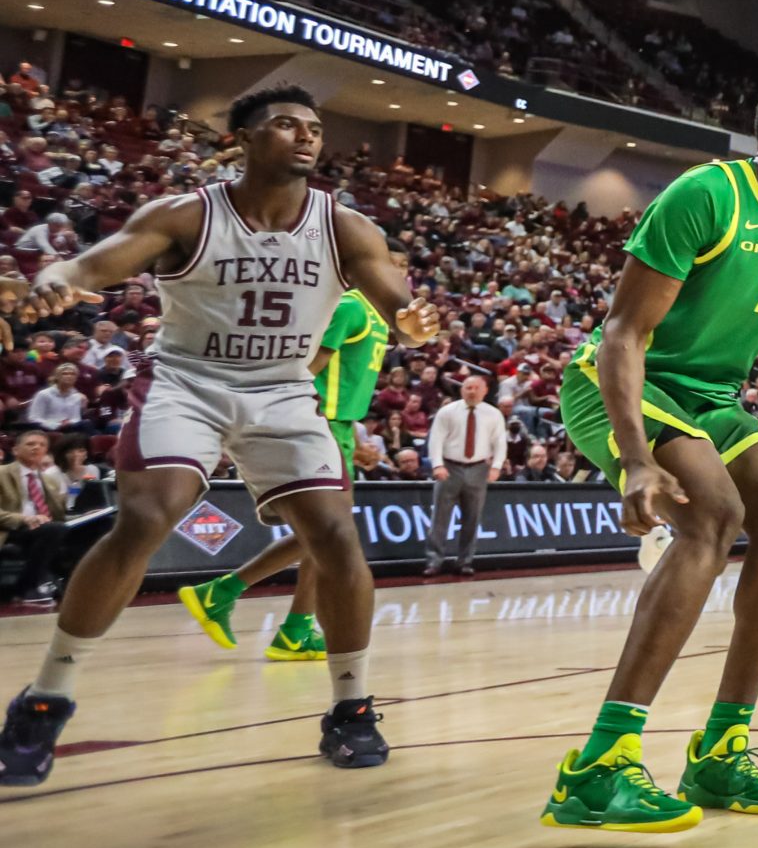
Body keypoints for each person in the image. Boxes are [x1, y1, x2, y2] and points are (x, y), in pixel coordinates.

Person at [1, 86, 438, 786]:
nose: (306, 136)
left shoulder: (344, 225)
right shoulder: (186, 213)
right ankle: (47, 694)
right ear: (242, 138)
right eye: (286, 124)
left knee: (335, 534)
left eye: (315, 127)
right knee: (146, 515)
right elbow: (95, 263)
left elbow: (394, 291)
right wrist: (57, 275)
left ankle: (351, 706)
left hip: (284, 388)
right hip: (188, 380)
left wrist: (411, 317)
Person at [541, 81, 758, 832]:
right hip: (623, 381)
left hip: (711, 398)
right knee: (713, 511)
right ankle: (599, 764)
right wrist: (637, 455)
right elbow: (623, 333)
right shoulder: (707, 193)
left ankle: (720, 750)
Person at [177, 287, 392, 660]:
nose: (398, 277)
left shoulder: (379, 316)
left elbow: (343, 381)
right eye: (394, 266)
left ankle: (294, 630)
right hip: (316, 421)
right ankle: (225, 592)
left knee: (326, 534)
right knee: (330, 531)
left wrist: (354, 440)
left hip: (338, 424)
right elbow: (308, 368)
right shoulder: (350, 306)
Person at [423, 375, 506, 576]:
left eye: (476, 388)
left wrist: (496, 466)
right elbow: (436, 440)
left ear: (485, 390)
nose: (472, 391)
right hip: (450, 467)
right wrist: (437, 465)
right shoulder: (447, 412)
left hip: (478, 468)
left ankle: (465, 561)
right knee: (440, 517)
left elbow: (500, 442)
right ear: (462, 390)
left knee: (472, 517)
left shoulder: (493, 414)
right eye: (468, 387)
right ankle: (434, 561)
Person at [0, 429, 72, 605]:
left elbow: (59, 513)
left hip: (44, 527)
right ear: (16, 450)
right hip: (11, 527)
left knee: (99, 525)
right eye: (30, 444)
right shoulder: (2, 473)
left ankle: (75, 585)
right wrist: (24, 518)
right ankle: (25, 589)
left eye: (42, 445)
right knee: (54, 529)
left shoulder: (51, 481)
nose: (36, 448)